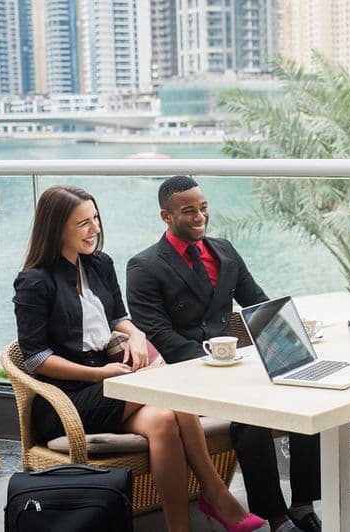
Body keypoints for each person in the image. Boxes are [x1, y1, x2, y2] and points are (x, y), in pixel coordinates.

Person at [13, 184, 264, 532]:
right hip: (67, 399)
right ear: (57, 228)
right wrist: (100, 375)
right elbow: (36, 358)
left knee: (163, 422)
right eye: (82, 223)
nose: (95, 229)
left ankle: (181, 528)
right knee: (172, 392)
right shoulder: (33, 282)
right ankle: (216, 494)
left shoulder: (99, 265)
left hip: (112, 386)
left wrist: (137, 335)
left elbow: (120, 318)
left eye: (95, 218)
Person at [127, 176, 322, 532]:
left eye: (203, 208)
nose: (199, 216)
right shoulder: (144, 266)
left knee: (303, 391)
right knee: (249, 417)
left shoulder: (225, 251)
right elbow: (160, 336)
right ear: (166, 217)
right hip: (185, 378)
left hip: (229, 369)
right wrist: (218, 366)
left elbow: (259, 306)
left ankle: (303, 502)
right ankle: (275, 517)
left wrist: (296, 341)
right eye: (188, 211)